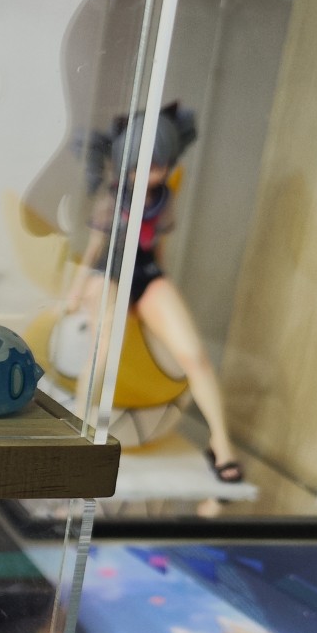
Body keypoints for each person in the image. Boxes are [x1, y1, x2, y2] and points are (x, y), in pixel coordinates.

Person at [66, 104, 242, 482]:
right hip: (109, 272)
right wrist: (75, 293)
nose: (149, 174)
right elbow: (94, 249)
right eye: (139, 166)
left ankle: (221, 441)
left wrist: (164, 289)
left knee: (195, 356)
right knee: (102, 351)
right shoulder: (114, 198)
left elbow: (159, 249)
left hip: (145, 273)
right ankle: (77, 433)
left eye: (157, 165)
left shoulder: (165, 199)